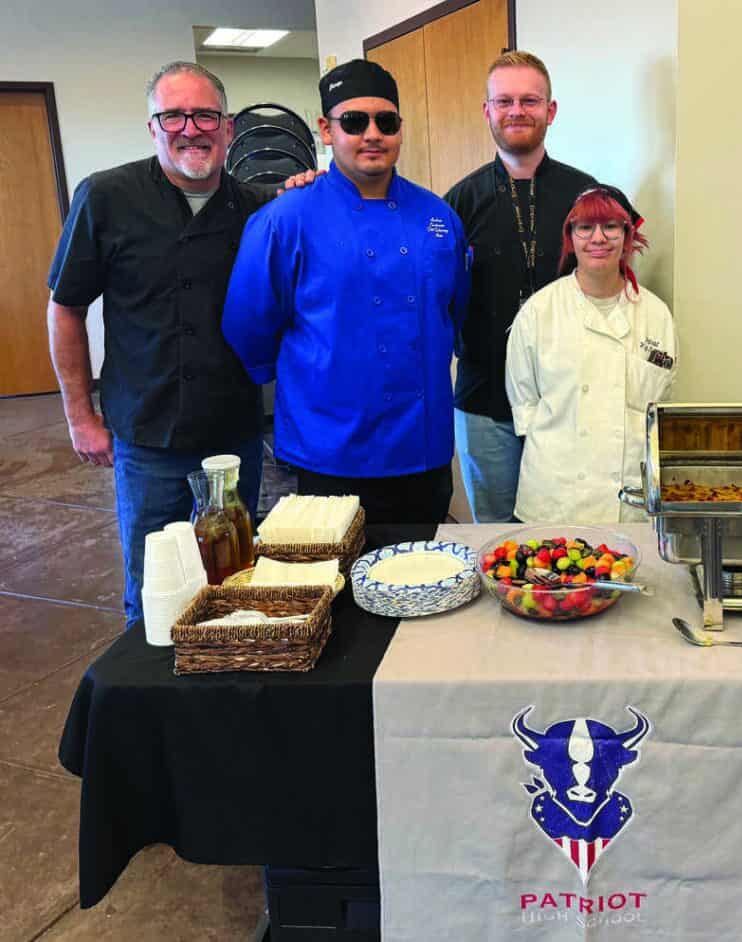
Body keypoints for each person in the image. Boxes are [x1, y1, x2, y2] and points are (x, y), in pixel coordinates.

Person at [47, 61, 269, 624]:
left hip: (234, 432)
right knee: (157, 587)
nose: (190, 128)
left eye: (205, 115)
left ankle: (229, 691)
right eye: (173, 115)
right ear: (152, 127)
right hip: (147, 435)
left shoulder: (260, 209)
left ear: (229, 127)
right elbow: (66, 308)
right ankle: (150, 707)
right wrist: (80, 416)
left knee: (236, 577)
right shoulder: (105, 196)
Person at [223, 59, 469, 525]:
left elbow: (453, 313)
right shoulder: (286, 219)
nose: (372, 134)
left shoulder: (438, 217)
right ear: (326, 129)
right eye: (354, 122)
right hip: (329, 449)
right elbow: (248, 323)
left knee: (423, 583)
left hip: (422, 446)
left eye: (387, 122)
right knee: (338, 588)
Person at [444, 51, 596, 523]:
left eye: (530, 100)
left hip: (567, 403)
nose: (517, 110)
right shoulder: (456, 203)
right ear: (487, 111)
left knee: (566, 532)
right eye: (504, 100)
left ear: (550, 111)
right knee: (496, 536)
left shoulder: (587, 197)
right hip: (486, 403)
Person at [505, 185, 677, 523]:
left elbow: (659, 405)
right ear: (571, 236)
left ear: (628, 235)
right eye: (585, 227)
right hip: (556, 496)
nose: (598, 238)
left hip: (627, 500)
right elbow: (524, 401)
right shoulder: (539, 312)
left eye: (611, 226)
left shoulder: (656, 315)